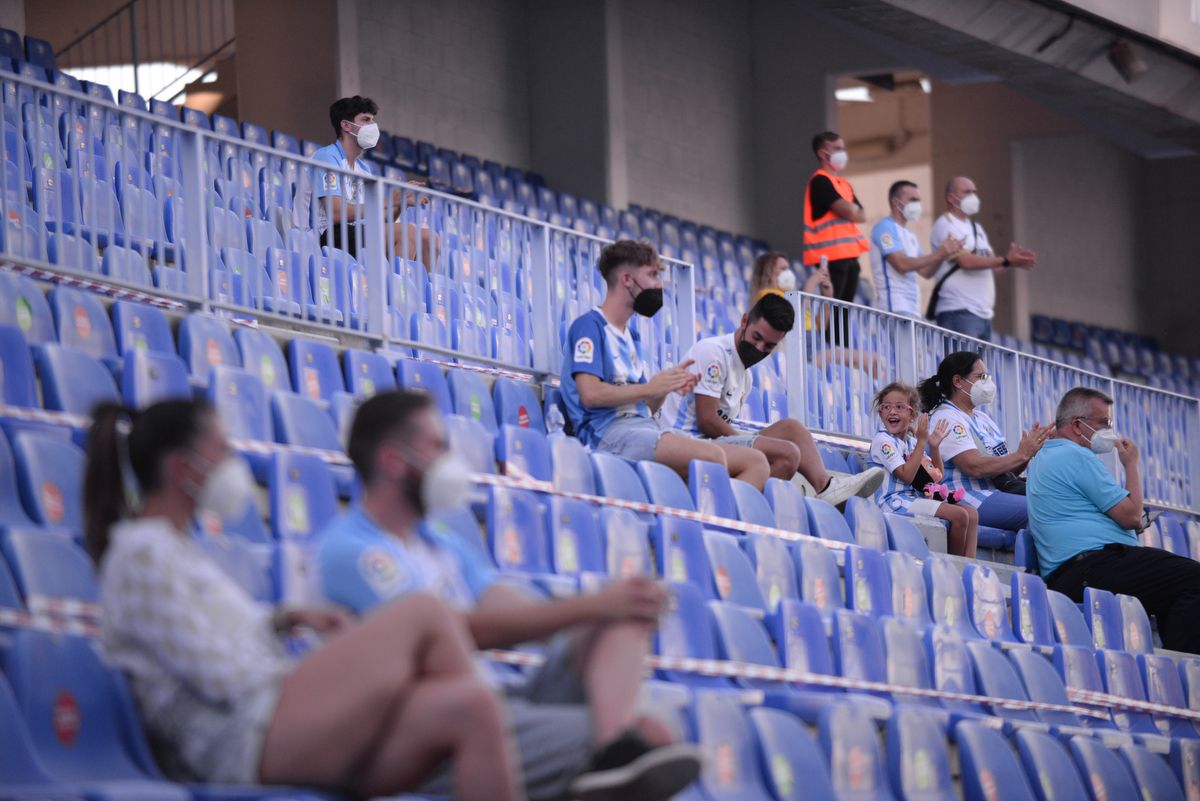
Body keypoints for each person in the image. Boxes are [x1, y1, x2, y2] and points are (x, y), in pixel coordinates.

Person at [83, 400, 523, 799]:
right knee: (424, 614)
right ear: (182, 468)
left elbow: (218, 636)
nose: (234, 463)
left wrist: (283, 620)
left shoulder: (177, 549)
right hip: (240, 741)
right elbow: (224, 679)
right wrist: (339, 673)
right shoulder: (141, 554)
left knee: (472, 707)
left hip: (269, 719)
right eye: (222, 451)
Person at [318, 390, 704, 801]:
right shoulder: (353, 551)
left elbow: (515, 612)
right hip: (416, 733)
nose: (449, 460)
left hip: (484, 703)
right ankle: (611, 750)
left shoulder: (439, 542)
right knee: (645, 732)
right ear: (394, 460)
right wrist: (590, 605)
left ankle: (612, 750)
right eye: (437, 446)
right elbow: (452, 633)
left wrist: (607, 606)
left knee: (621, 617)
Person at [561, 239, 770, 489]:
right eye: (652, 275)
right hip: (607, 435)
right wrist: (650, 388)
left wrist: (665, 387)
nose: (659, 285)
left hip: (644, 427)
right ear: (627, 279)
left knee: (756, 462)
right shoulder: (589, 326)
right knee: (712, 458)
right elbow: (590, 395)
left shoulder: (632, 337)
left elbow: (644, 408)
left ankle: (726, 526)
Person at [660, 291, 884, 505]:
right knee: (787, 454)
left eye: (768, 346)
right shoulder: (714, 352)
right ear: (745, 320)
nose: (759, 348)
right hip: (684, 442)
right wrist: (747, 446)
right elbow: (707, 420)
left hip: (711, 444)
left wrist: (746, 445)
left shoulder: (746, 378)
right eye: (757, 337)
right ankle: (732, 505)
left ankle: (826, 488)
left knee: (792, 429)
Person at [1028, 387, 1200, 654]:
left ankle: (1176, 662)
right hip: (1091, 565)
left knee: (1176, 588)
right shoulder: (1077, 456)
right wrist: (1131, 464)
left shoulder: (1048, 455)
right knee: (1194, 579)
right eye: (1104, 422)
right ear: (1077, 424)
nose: (1110, 430)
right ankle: (1183, 667)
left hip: (1080, 569)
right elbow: (1131, 516)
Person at [919, 351, 1052, 532]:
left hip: (994, 492)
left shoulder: (983, 419)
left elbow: (1003, 471)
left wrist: (1027, 455)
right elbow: (974, 467)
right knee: (1043, 510)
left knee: (1057, 503)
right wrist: (1021, 454)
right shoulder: (946, 417)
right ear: (957, 381)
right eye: (981, 377)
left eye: (987, 377)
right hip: (968, 497)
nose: (987, 383)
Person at [312, 95, 437, 269]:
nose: (372, 126)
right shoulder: (327, 157)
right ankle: (394, 293)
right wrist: (389, 201)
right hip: (329, 234)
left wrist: (400, 202)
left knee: (429, 238)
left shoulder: (363, 169)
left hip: (355, 232)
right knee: (407, 232)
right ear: (346, 125)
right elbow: (335, 213)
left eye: (372, 120)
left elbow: (376, 222)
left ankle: (420, 294)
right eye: (365, 120)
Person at [868, 382, 978, 557]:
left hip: (913, 500)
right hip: (893, 503)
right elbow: (906, 476)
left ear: (912, 414)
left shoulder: (911, 442)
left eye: (899, 407)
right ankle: (955, 567)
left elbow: (936, 478)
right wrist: (921, 441)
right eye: (886, 407)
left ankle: (970, 566)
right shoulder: (883, 441)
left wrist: (933, 448)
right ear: (880, 413)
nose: (892, 411)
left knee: (971, 513)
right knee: (959, 516)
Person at [927, 176, 1036, 340]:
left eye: (974, 192)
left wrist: (1012, 262)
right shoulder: (945, 224)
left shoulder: (976, 228)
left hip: (983, 314)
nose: (973, 196)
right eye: (967, 192)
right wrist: (1005, 259)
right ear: (951, 197)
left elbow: (991, 267)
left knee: (978, 366)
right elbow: (966, 262)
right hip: (959, 310)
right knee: (965, 365)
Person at [748, 252, 884, 379]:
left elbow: (820, 326)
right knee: (867, 359)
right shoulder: (766, 294)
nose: (788, 272)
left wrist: (827, 297)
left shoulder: (790, 295)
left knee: (872, 362)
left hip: (817, 343)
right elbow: (796, 321)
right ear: (768, 272)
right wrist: (810, 284)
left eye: (788, 268)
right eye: (783, 268)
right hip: (805, 351)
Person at [869, 181, 961, 317]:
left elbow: (926, 272)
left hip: (913, 308)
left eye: (919, 201)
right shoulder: (884, 229)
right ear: (896, 202)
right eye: (913, 200)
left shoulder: (910, 235)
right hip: (894, 307)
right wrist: (939, 253)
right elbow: (901, 265)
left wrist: (944, 254)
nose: (918, 205)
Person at [802, 132, 869, 304]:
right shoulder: (820, 181)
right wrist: (851, 209)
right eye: (837, 148)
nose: (843, 152)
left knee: (844, 314)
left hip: (850, 257)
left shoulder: (843, 184)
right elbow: (850, 212)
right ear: (822, 153)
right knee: (832, 313)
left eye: (843, 148)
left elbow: (862, 215)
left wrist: (851, 209)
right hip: (831, 259)